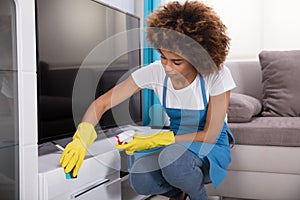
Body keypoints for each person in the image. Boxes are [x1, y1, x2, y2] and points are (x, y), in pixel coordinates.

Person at [60, 1, 236, 200]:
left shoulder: (216, 74)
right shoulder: (155, 72)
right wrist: (81, 137)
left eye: (177, 62)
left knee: (173, 161)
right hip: (176, 142)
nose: (167, 67)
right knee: (139, 177)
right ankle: (178, 193)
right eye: (163, 57)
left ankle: (198, 196)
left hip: (210, 143)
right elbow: (102, 103)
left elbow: (210, 134)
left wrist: (159, 139)